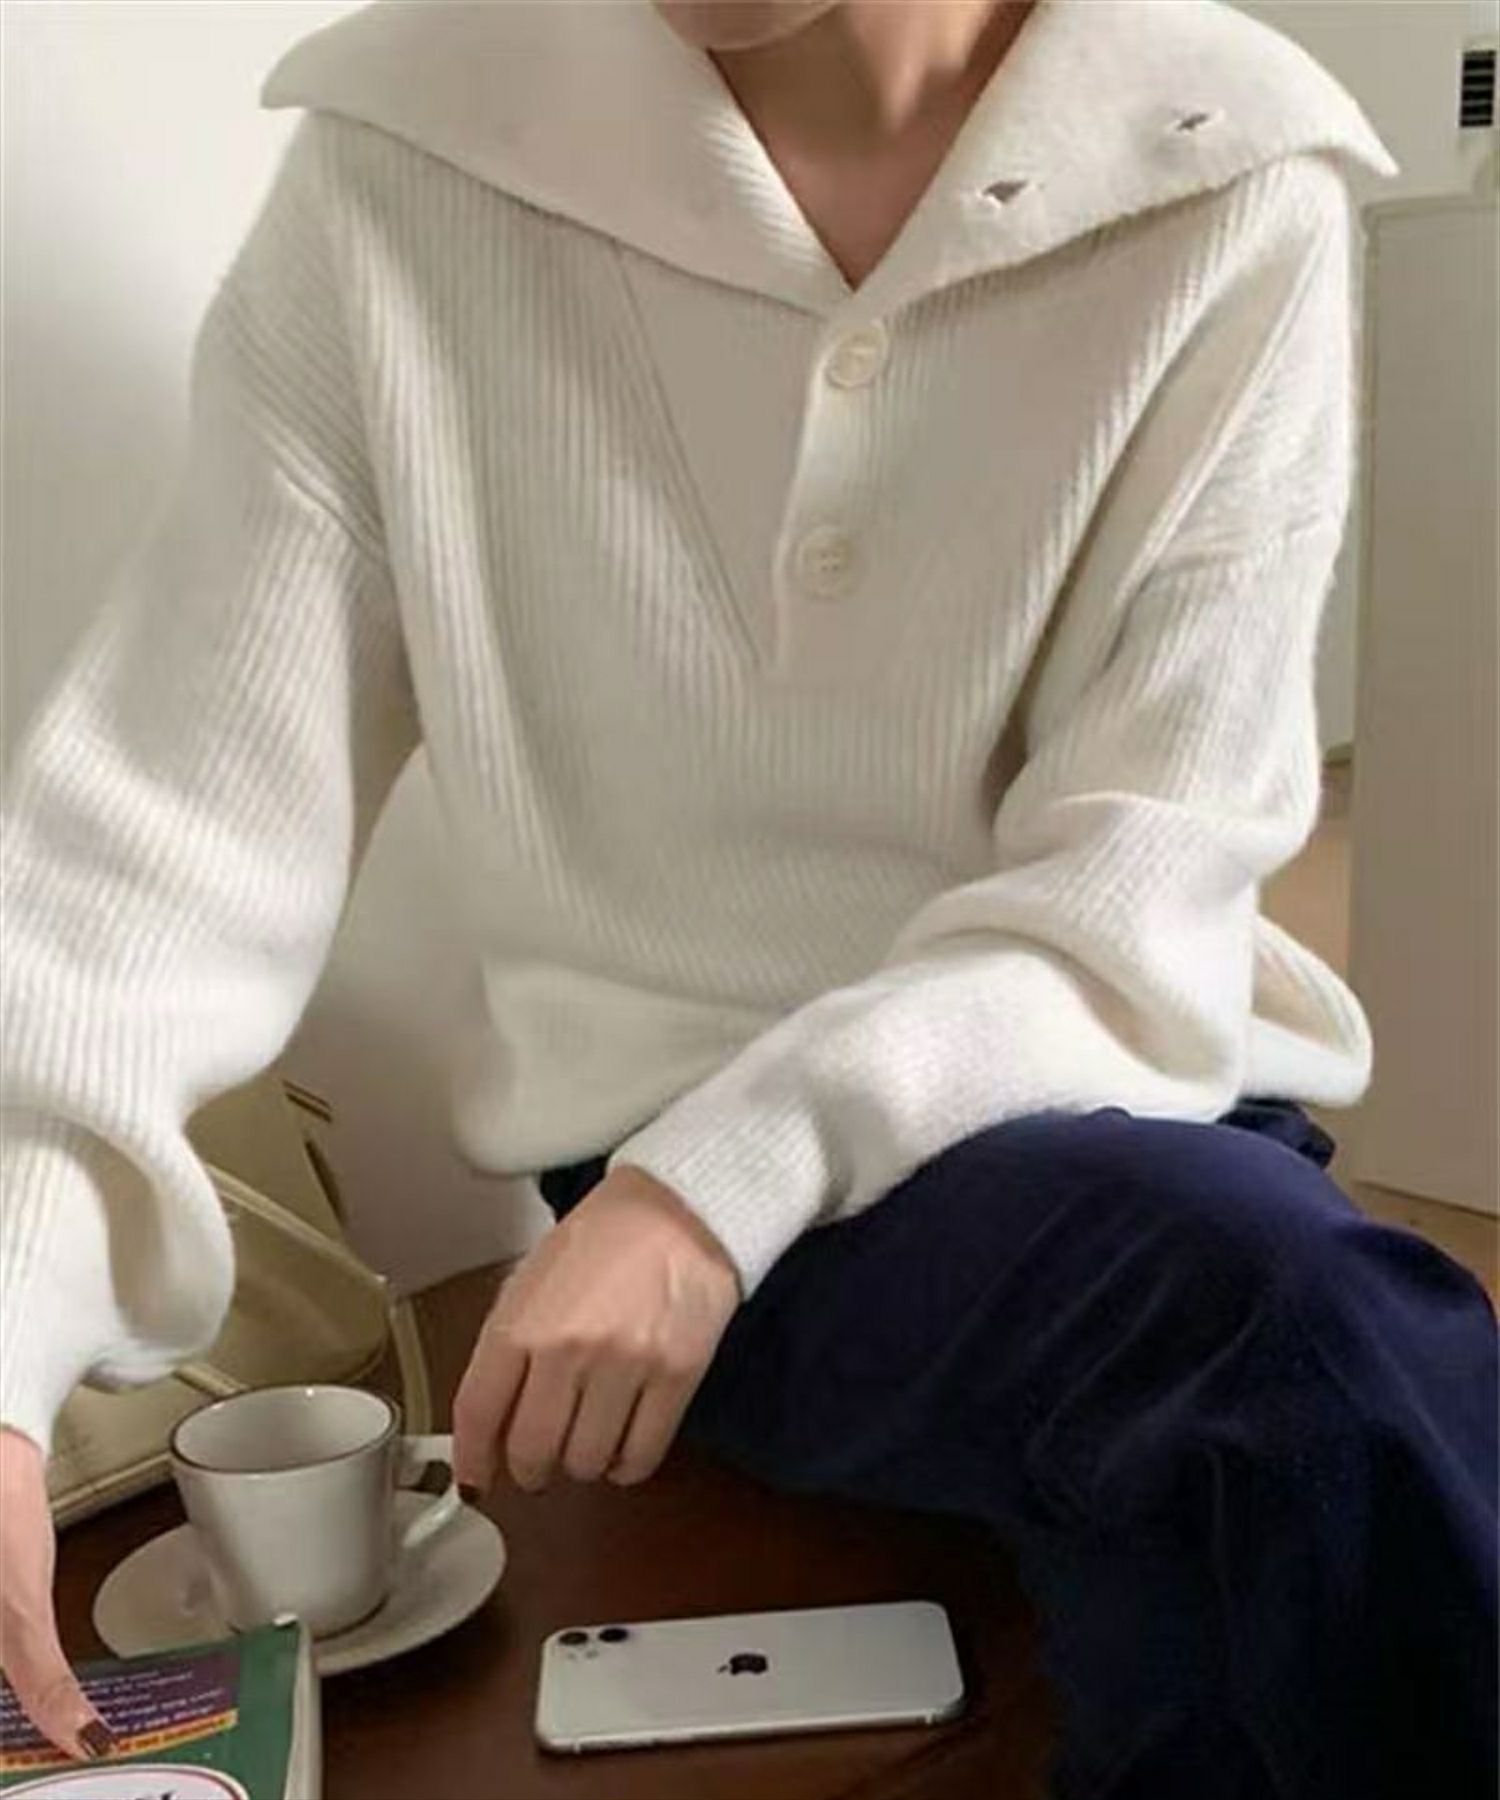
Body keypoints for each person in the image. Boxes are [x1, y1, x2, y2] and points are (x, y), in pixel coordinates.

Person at [1, 0, 1494, 1792]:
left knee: (1246, 1516)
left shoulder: (1230, 174)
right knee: (1302, 1342)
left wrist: (719, 1181)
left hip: (1114, 1114)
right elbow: (167, 824)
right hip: (752, 1240)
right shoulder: (406, 170)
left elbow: (1143, 874)